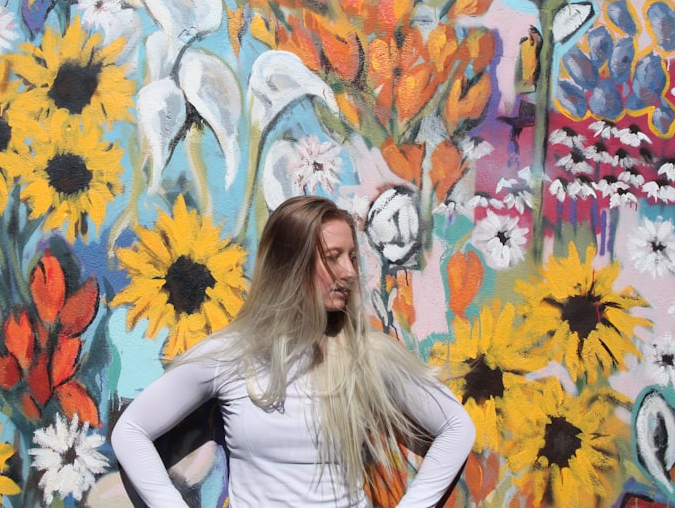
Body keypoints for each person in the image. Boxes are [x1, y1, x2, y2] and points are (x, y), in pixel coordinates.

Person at [111, 195, 475, 507]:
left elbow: (456, 426)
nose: (349, 272)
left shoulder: (366, 354)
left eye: (351, 257)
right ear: (290, 264)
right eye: (333, 257)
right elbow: (131, 430)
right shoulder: (232, 354)